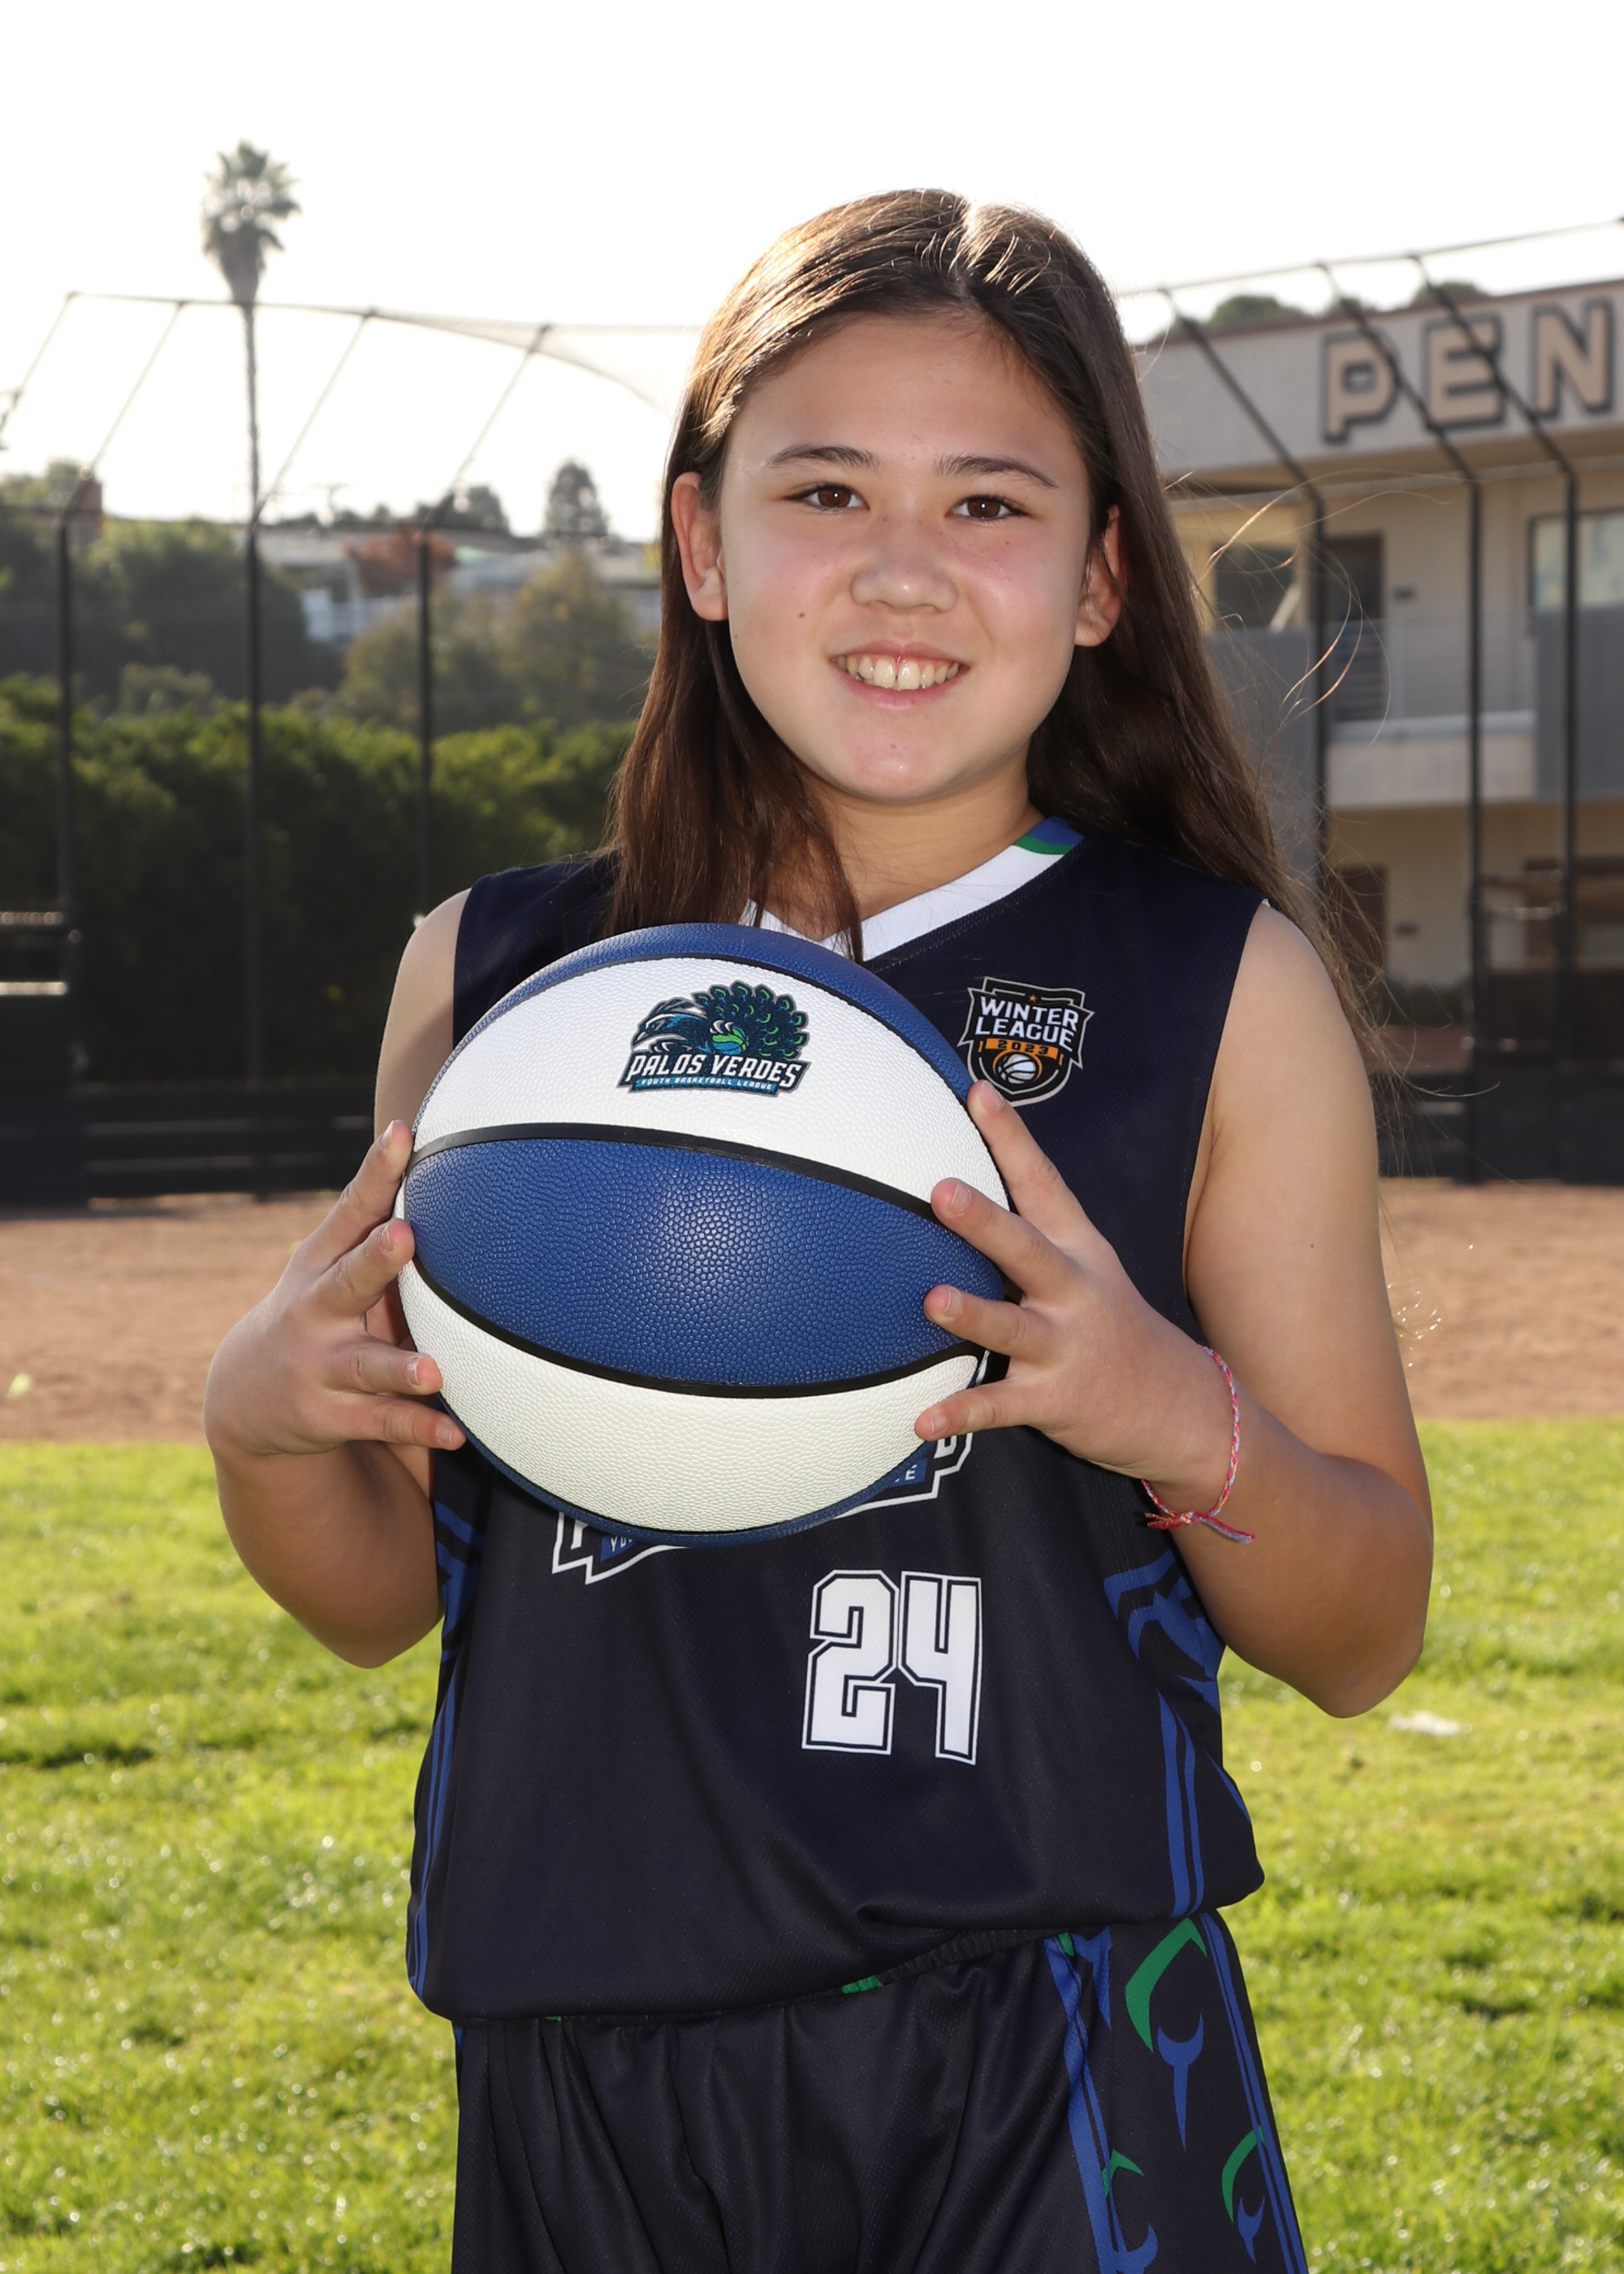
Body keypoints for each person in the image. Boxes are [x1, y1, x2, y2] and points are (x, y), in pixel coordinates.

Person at [205, 191, 1432, 2272]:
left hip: (1053, 2035)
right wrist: (262, 1424)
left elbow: (1363, 1625)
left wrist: (1166, 1410)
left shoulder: (1216, 987)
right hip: (581, 2051)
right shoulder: (500, 987)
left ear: (1103, 573)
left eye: (989, 502)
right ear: (701, 543)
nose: (902, 565)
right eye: (826, 488)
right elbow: (380, 1595)